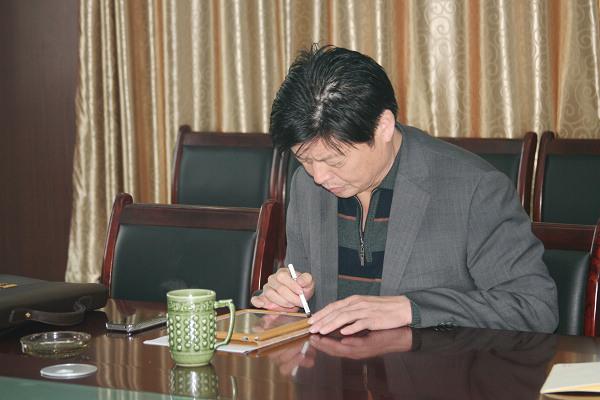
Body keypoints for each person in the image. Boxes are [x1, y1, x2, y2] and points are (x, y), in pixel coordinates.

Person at [250, 44, 558, 335]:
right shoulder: (306, 186)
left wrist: (412, 309)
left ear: (383, 126)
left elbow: (535, 308)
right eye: (304, 159)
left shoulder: (474, 189)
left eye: (334, 160)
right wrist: (286, 298)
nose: (319, 176)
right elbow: (303, 297)